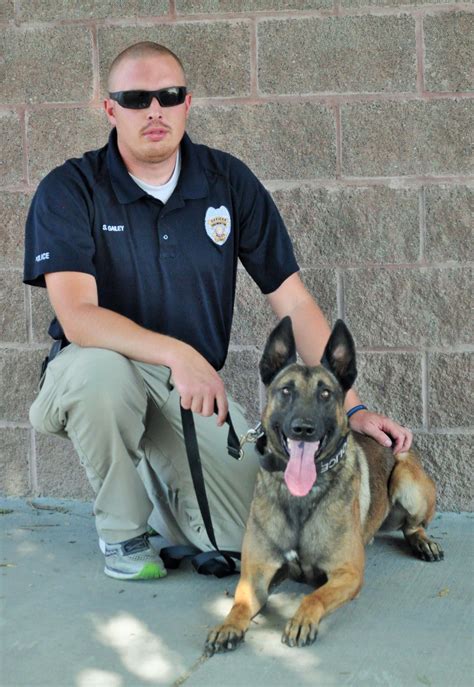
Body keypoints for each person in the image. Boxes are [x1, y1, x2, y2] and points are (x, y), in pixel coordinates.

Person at [24, 42, 412, 581]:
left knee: (250, 541)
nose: (155, 110)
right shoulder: (70, 188)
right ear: (110, 109)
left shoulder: (226, 181)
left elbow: (294, 300)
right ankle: (122, 532)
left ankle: (161, 484)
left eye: (169, 95)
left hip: (187, 391)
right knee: (101, 375)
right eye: (136, 98)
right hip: (91, 368)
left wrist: (350, 407)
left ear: (188, 103)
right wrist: (179, 353)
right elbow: (79, 318)